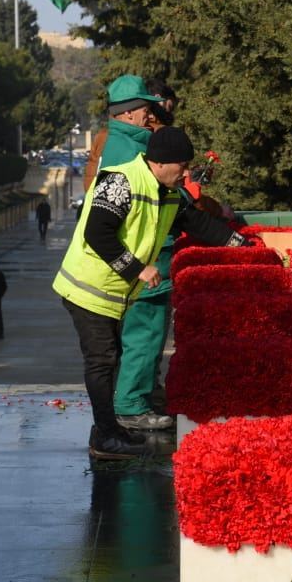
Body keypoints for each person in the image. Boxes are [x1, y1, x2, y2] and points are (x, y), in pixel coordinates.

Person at [53, 123, 248, 460]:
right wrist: (137, 269)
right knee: (101, 361)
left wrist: (240, 244)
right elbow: (97, 233)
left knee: (110, 359)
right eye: (182, 166)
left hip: (113, 294)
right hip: (87, 288)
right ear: (160, 162)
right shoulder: (120, 181)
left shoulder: (167, 193)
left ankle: (109, 429)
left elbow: (195, 223)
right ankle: (105, 436)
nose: (186, 173)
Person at [113, 78, 184, 431]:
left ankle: (140, 396)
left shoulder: (130, 143)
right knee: (143, 335)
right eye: (146, 107)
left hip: (149, 260)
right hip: (143, 265)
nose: (151, 113)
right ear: (126, 113)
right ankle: (131, 405)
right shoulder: (127, 150)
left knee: (150, 336)